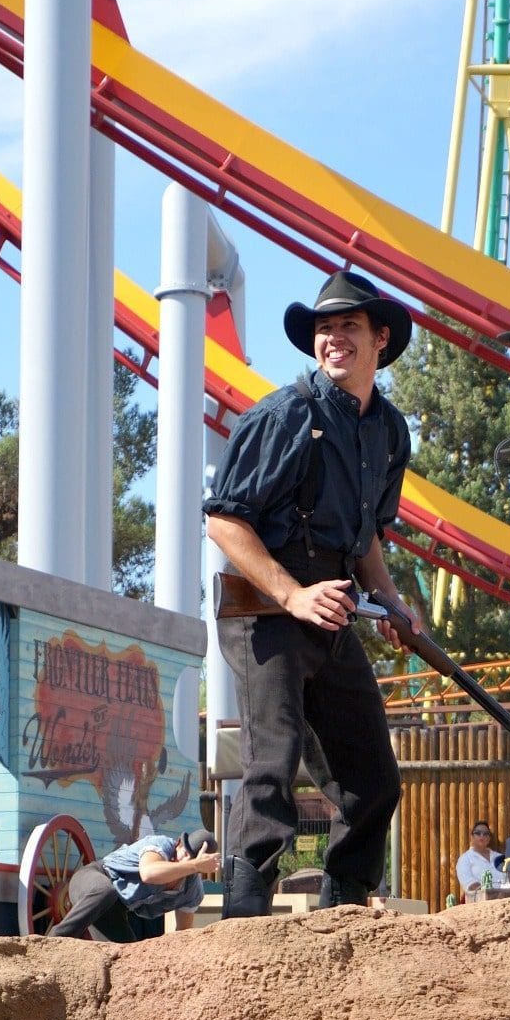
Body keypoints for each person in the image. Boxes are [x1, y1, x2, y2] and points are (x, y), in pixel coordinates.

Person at [203, 269, 420, 917]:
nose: (333, 339)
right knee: (273, 761)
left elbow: (366, 540)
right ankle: (246, 920)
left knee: (373, 779)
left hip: (333, 608)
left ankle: (343, 913)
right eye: (325, 328)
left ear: (380, 338)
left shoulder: (388, 430)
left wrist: (393, 601)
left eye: (348, 326)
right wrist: (294, 596)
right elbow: (223, 521)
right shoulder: (283, 416)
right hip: (265, 610)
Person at [49, 828, 220, 941]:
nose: (185, 860)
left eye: (194, 859)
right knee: (106, 891)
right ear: (178, 844)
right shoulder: (160, 845)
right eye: (185, 853)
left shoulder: (192, 891)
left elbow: (183, 932)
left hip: (114, 910)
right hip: (95, 877)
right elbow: (149, 873)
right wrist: (194, 865)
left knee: (125, 959)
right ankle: (51, 942)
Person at [455, 820, 507, 894]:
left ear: (489, 838)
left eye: (486, 834)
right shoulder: (465, 859)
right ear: (472, 837)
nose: (482, 836)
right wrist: (491, 894)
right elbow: (470, 884)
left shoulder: (500, 857)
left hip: (506, 899)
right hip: (480, 902)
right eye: (478, 833)